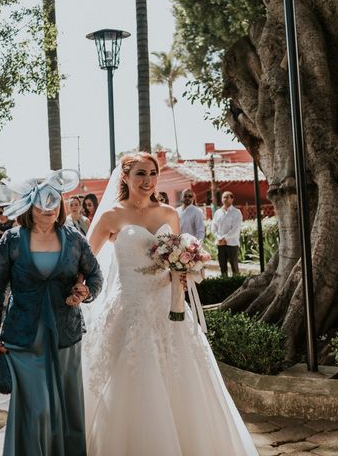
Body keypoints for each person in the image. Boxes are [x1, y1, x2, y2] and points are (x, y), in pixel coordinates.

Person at [83, 152, 257, 455]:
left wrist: (187, 267)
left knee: (180, 373)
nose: (147, 180)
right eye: (140, 174)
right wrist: (79, 287)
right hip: (130, 307)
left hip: (169, 306)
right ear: (124, 177)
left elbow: (175, 255)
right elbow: (85, 260)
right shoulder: (111, 216)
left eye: (152, 173)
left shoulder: (168, 214)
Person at [0, 170, 103, 455]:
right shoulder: (11, 241)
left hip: (66, 335)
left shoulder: (74, 240)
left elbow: (95, 275)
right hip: (23, 337)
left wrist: (86, 293)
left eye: (54, 202)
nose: (48, 209)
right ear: (29, 206)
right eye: (41, 204)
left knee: (68, 408)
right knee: (35, 410)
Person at [211, 191, 243, 277]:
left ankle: (236, 285)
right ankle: (224, 284)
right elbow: (213, 228)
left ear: (232, 199)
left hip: (232, 243)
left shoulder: (236, 212)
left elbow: (235, 230)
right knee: (222, 267)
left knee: (234, 267)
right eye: (223, 197)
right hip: (220, 244)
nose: (224, 199)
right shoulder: (218, 212)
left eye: (227, 197)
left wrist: (224, 239)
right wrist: (219, 238)